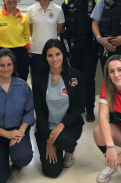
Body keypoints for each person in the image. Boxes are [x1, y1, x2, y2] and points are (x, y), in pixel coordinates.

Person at [0, 49, 35, 183]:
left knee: (23, 157)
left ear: (14, 66)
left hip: (17, 131)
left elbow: (29, 111)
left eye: (9, 64)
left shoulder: (23, 86)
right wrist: (6, 134)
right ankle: (0, 160)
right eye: (1, 65)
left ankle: (15, 159)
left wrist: (20, 132)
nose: (6, 68)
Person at [33, 39, 85, 178]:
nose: (54, 59)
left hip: (68, 125)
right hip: (46, 127)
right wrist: (47, 138)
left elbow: (80, 107)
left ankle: (68, 150)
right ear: (45, 57)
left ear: (64, 54)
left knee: (64, 141)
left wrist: (55, 136)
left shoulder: (75, 76)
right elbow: (38, 110)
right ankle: (56, 145)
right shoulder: (39, 78)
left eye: (58, 54)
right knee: (52, 172)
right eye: (50, 55)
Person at [62, 0, 98, 122]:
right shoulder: (67, 2)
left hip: (90, 47)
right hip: (73, 47)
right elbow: (61, 26)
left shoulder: (95, 1)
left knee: (89, 79)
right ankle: (78, 106)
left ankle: (90, 109)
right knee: (75, 78)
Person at [0, 0, 31, 81]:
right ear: (3, 0)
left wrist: (29, 51)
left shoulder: (23, 18)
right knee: (4, 80)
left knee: (21, 79)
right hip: (3, 53)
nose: (11, 0)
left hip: (21, 53)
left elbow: (26, 36)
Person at [27, 0, 65, 82]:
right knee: (36, 80)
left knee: (52, 79)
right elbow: (30, 30)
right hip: (36, 51)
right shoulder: (31, 9)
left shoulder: (58, 9)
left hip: (52, 52)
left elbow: (59, 29)